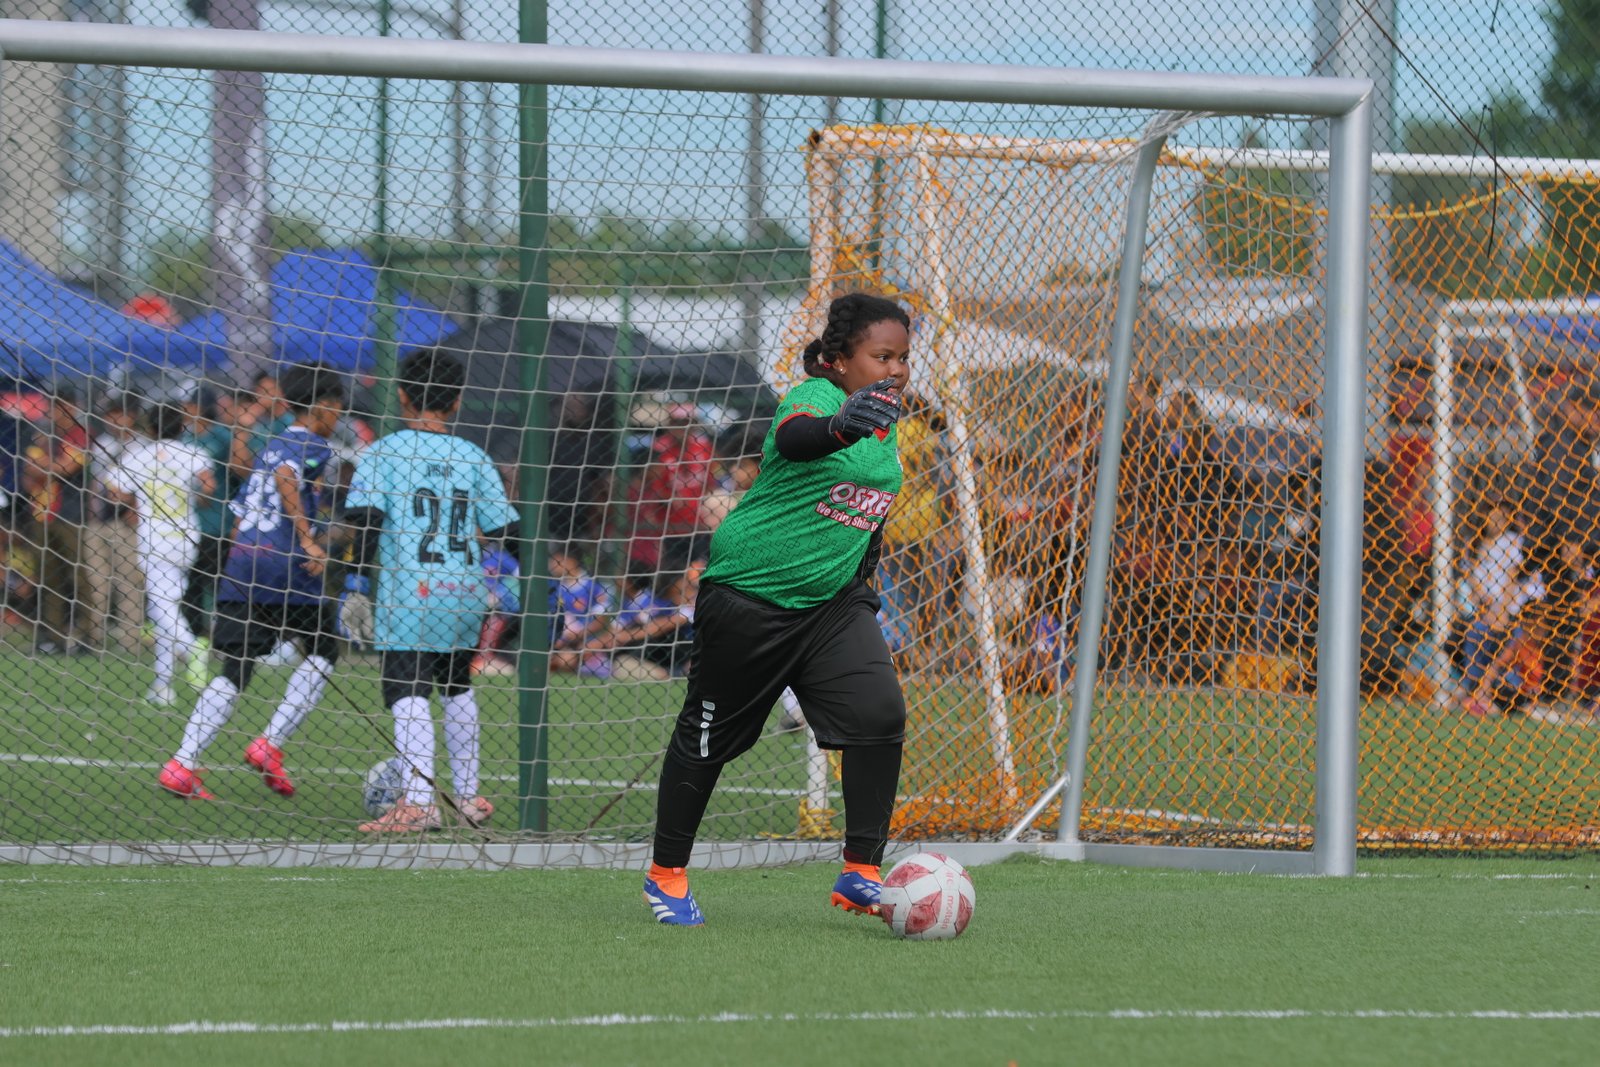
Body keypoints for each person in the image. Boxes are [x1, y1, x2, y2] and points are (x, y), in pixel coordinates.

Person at [643, 291, 910, 927]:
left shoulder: (887, 419)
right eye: (882, 356)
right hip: (749, 597)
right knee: (708, 742)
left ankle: (861, 871)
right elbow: (796, 442)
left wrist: (861, 567)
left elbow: (863, 507)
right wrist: (843, 424)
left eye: (903, 358)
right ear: (842, 359)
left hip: (831, 605)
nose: (897, 369)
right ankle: (666, 873)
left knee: (880, 712)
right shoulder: (816, 399)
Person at [338, 348, 520, 832]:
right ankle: (467, 797)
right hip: (464, 587)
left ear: (401, 396)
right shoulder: (474, 456)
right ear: (456, 401)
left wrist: (355, 585)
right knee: (456, 683)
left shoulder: (384, 452)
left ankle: (418, 803)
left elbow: (366, 522)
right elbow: (506, 528)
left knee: (406, 684)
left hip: (410, 588)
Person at [158, 365, 346, 801]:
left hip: (244, 563)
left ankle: (182, 763)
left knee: (237, 666)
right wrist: (306, 540)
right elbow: (287, 478)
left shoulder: (269, 446)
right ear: (325, 405)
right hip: (285, 564)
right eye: (338, 408)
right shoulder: (312, 445)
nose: (338, 416)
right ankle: (269, 743)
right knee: (324, 649)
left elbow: (243, 511)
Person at [103, 400, 216, 705]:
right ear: (182, 427)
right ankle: (163, 685)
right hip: (187, 537)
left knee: (161, 608)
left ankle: (192, 647)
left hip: (154, 540)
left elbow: (115, 492)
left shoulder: (138, 455)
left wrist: (131, 491)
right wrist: (190, 493)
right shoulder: (194, 453)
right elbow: (209, 487)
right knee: (166, 606)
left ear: (150, 428)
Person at [21, 388, 91, 654]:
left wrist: (44, 464)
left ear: (72, 407)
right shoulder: (41, 435)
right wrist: (48, 465)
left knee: (78, 577)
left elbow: (65, 469)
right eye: (53, 407)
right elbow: (28, 471)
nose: (55, 412)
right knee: (48, 579)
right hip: (41, 513)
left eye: (61, 406)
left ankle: (85, 636)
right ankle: (52, 637)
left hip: (71, 515)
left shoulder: (79, 434)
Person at [79, 395, 147, 658]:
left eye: (120, 414)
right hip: (98, 521)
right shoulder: (101, 445)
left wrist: (135, 504)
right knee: (96, 582)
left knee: (129, 582)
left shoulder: (143, 448)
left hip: (125, 522)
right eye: (110, 415)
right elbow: (96, 482)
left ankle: (130, 641)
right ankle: (94, 638)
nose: (114, 420)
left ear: (132, 416)